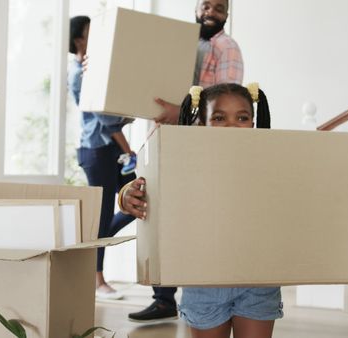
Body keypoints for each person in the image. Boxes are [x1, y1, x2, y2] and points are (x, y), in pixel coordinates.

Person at [121, 83, 281, 337]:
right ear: (201, 124)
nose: (231, 125)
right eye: (219, 118)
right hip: (203, 281)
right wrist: (127, 195)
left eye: (241, 117)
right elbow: (148, 183)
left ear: (252, 122)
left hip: (258, 280)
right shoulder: (184, 163)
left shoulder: (270, 162)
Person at [128, 0, 244, 322]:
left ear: (226, 14)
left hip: (200, 148)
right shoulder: (178, 46)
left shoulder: (227, 47)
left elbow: (223, 98)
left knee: (186, 217)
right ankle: (164, 298)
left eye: (218, 7)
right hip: (166, 140)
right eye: (205, 4)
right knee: (160, 213)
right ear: (196, 8)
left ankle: (194, 295)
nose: (211, 11)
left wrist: (177, 112)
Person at [68, 15, 136, 300]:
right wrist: (128, 148)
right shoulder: (81, 74)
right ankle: (96, 279)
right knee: (104, 213)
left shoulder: (93, 70)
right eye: (90, 33)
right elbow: (106, 121)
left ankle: (83, 250)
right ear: (79, 40)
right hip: (97, 151)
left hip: (107, 150)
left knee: (138, 199)